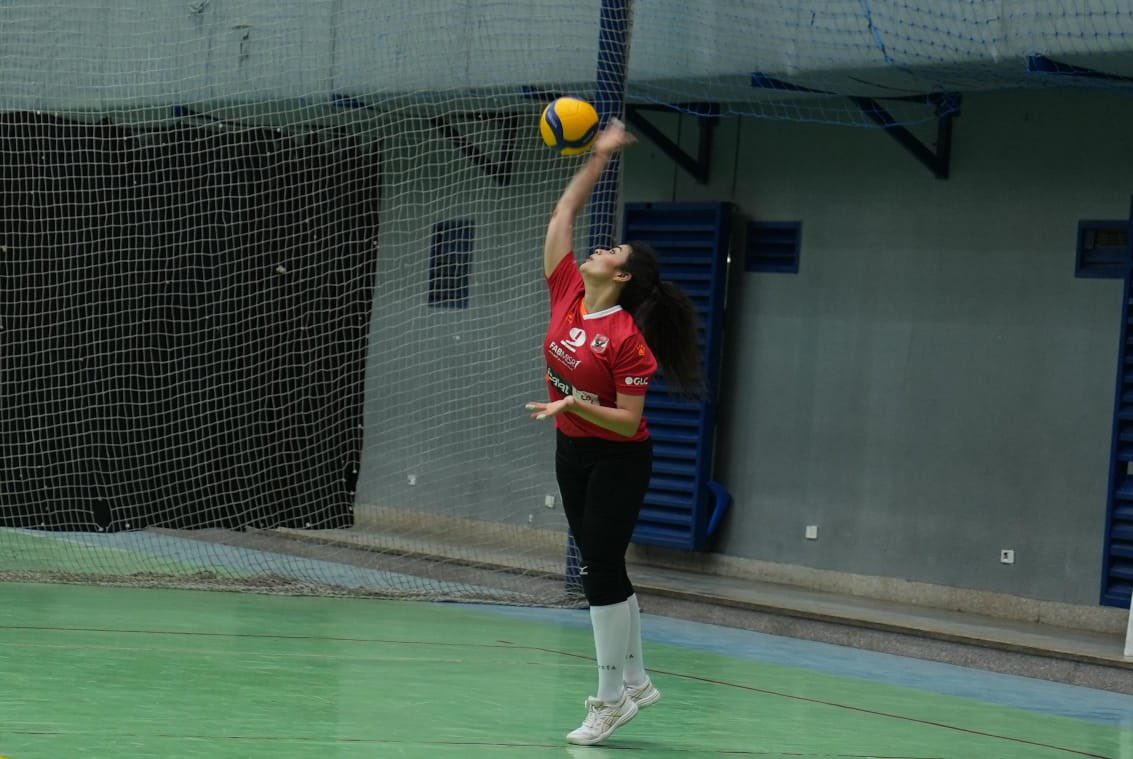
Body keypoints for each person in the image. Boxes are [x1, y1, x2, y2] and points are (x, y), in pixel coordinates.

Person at [525, 118, 703, 746]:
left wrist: (574, 400)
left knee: (598, 570)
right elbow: (563, 215)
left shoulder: (627, 341)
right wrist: (598, 156)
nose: (600, 250)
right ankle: (638, 679)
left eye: (614, 252)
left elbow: (627, 420)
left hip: (619, 459)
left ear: (622, 277)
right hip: (571, 448)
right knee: (603, 565)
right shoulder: (567, 291)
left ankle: (608, 700)